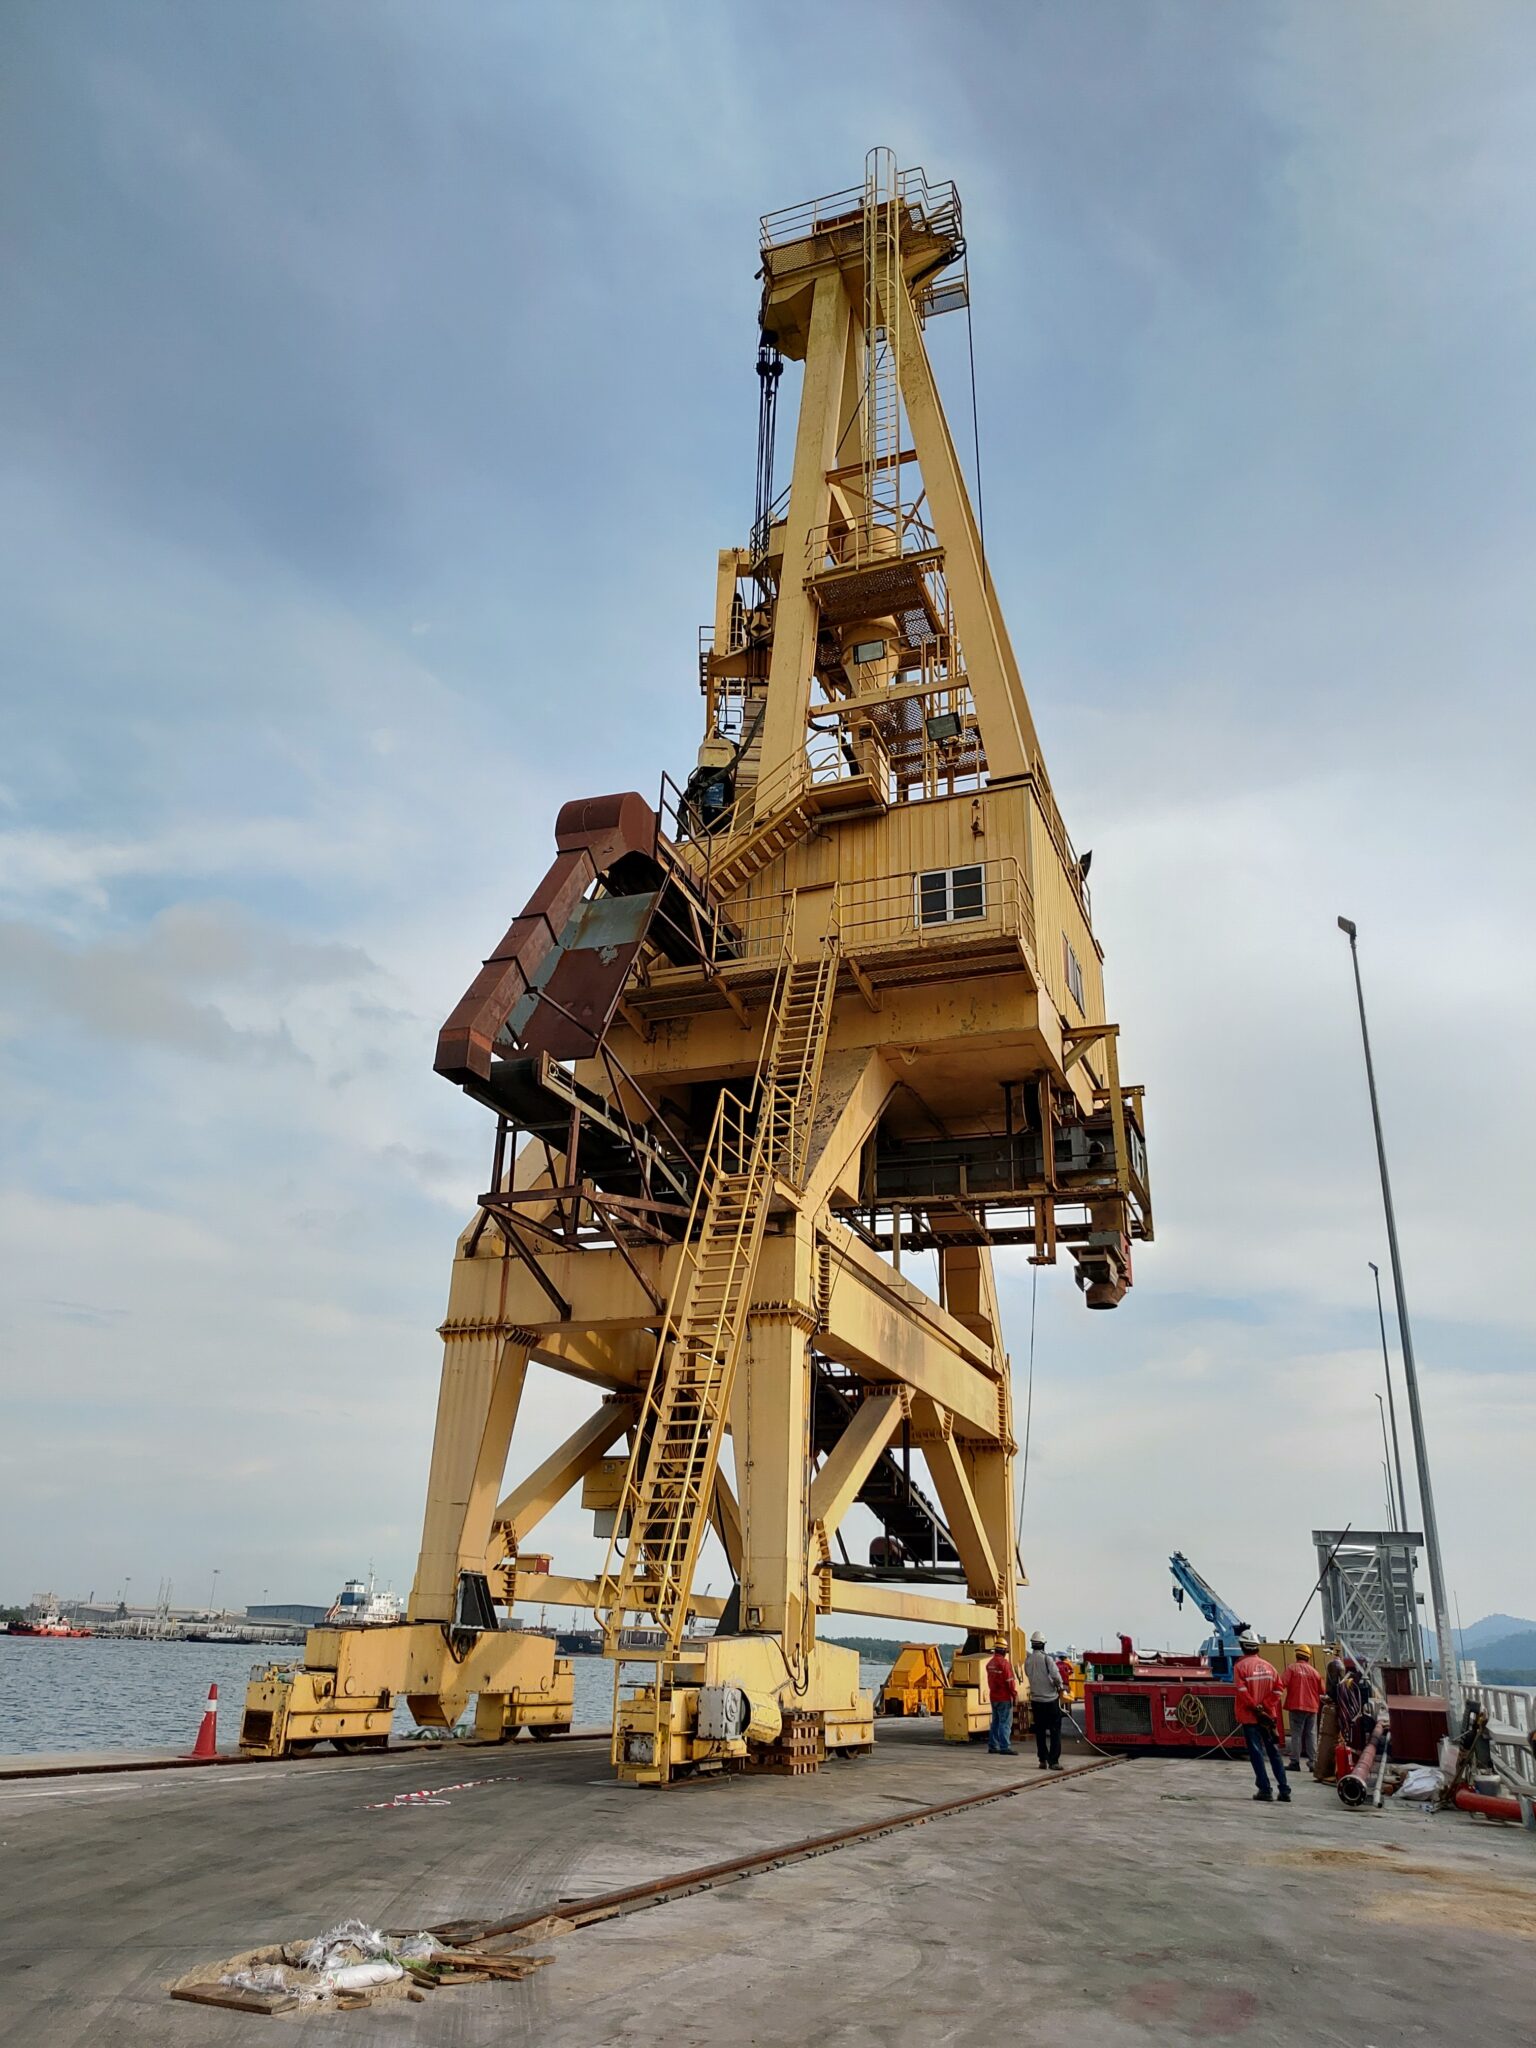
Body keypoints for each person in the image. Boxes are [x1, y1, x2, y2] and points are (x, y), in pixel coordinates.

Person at [1233, 1635, 1290, 1804]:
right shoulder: (1270, 1667)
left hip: (1250, 1717)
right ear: (1257, 1647)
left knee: (1256, 1754)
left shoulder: (1240, 1667)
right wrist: (1265, 1705)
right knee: (1274, 1753)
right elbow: (1279, 1689)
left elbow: (1242, 1691)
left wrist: (1255, 1707)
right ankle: (1284, 1790)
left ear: (1243, 1647)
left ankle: (1265, 1789)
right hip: (1267, 1718)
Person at [1024, 1630, 1068, 1770]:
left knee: (1040, 1732)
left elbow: (1027, 1674)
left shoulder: (1028, 1661)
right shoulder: (1047, 1659)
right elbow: (1056, 1676)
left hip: (1036, 1701)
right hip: (1050, 1700)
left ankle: (1042, 1760)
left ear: (1032, 1644)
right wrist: (1060, 1686)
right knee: (1055, 1731)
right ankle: (1053, 1761)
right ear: (1043, 1645)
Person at [1281, 1647, 1323, 1771]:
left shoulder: (1291, 1669)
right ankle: (1313, 1764)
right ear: (1308, 1657)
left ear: (1297, 1656)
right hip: (1312, 1707)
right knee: (1311, 1734)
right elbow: (1322, 1690)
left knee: (1296, 1735)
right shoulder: (1315, 1672)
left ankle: (1295, 1762)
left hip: (1296, 1706)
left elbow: (1281, 1683)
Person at [985, 1637, 1019, 1755]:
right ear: (1004, 1651)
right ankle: (1005, 1747)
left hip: (993, 1697)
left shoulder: (990, 1663)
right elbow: (1010, 1681)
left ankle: (993, 1745)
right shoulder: (1004, 1663)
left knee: (995, 1722)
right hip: (1004, 1697)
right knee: (1005, 1722)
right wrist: (1014, 1695)